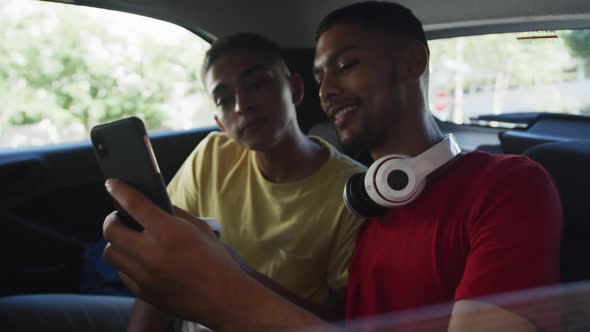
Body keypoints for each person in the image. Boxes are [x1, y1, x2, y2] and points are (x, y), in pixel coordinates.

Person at [102, 2, 562, 331]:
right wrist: (229, 269)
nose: (328, 91)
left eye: (347, 65)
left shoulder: (508, 185)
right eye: (322, 76)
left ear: (413, 62)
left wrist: (225, 297)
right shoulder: (367, 204)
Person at [127, 33, 366, 331]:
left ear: (295, 89)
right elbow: (159, 276)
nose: (241, 105)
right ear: (220, 123)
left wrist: (236, 276)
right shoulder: (212, 156)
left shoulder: (353, 191)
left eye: (257, 84)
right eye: (225, 99)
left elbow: (342, 322)